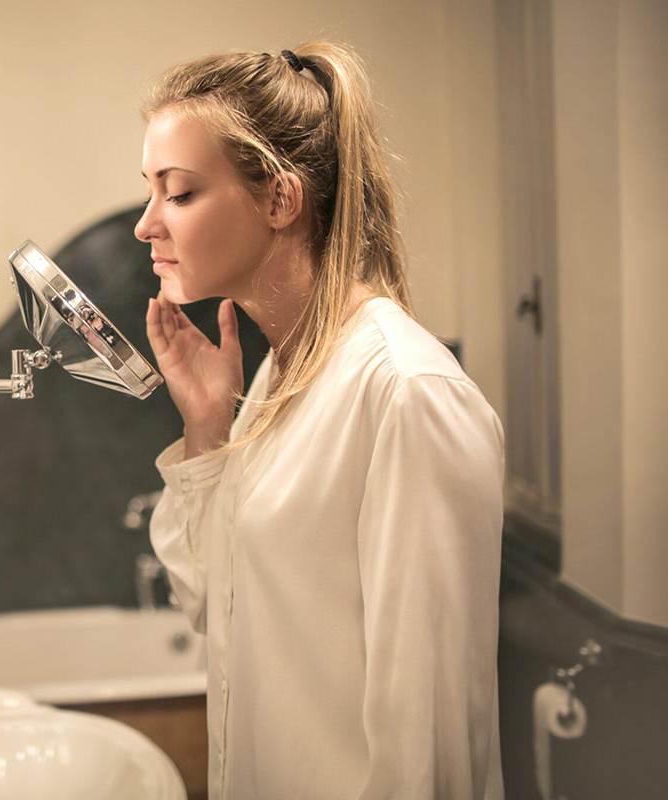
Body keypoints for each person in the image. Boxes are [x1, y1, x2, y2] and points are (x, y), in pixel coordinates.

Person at [137, 45, 505, 799]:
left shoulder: (407, 393)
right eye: (149, 192)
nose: (146, 226)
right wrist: (208, 426)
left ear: (280, 200)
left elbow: (428, 743)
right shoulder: (279, 373)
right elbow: (215, 603)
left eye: (176, 194)